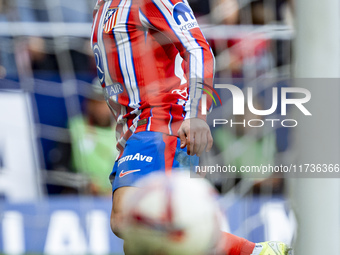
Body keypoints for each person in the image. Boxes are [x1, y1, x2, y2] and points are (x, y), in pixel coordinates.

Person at [91, 0, 291, 254]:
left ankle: (255, 251)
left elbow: (198, 48)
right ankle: (257, 252)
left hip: (161, 120)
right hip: (133, 130)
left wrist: (196, 113)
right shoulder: (104, 5)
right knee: (139, 239)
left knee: (129, 217)